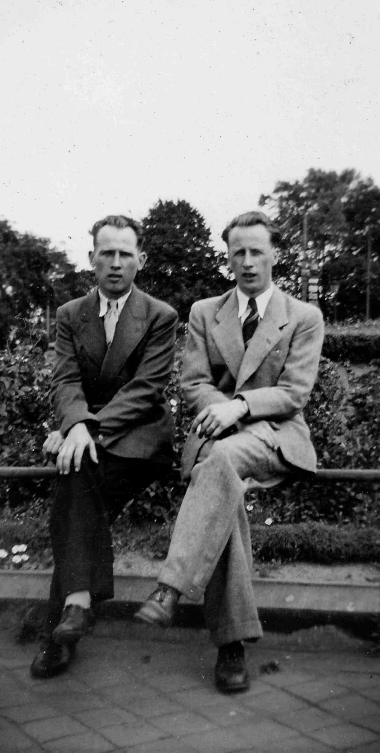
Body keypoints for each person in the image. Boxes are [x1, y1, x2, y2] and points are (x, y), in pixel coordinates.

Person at [135, 211, 324, 693]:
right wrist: (219, 411)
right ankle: (231, 645)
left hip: (275, 436)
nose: (247, 262)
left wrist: (237, 408)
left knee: (218, 466)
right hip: (218, 441)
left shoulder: (303, 317)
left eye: (256, 251)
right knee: (222, 483)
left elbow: (293, 393)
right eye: (237, 252)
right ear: (228, 258)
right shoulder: (205, 311)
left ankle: (171, 587)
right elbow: (193, 381)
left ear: (275, 255)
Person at [31, 215, 178, 678]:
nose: (115, 264)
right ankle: (72, 613)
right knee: (78, 482)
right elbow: (66, 380)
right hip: (89, 439)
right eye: (106, 253)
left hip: (139, 438)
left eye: (124, 254)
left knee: (76, 480)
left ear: (141, 260)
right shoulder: (71, 314)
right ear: (90, 258)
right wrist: (74, 424)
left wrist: (83, 429)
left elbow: (146, 389)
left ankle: (66, 617)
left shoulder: (160, 315)